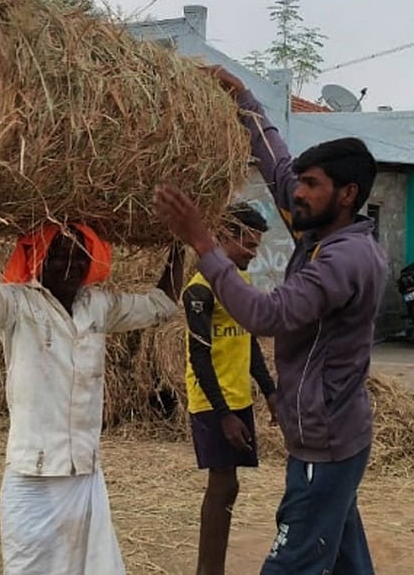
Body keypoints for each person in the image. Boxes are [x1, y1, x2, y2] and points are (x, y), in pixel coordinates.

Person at [154, 67, 386, 575]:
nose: (297, 192)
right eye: (301, 183)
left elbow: (268, 315)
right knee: (346, 559)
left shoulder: (344, 259)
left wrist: (203, 243)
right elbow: (278, 164)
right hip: (335, 437)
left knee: (290, 563)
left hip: (324, 444)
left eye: (311, 185)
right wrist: (244, 99)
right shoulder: (318, 229)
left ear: (347, 194)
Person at [0, 150, 185, 575]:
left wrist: (181, 240)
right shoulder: (18, 306)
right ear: (39, 258)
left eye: (80, 254)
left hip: (85, 474)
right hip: (32, 478)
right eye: (58, 254)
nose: (70, 264)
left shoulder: (98, 306)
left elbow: (161, 305)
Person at [182, 202, 278, 575]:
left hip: (238, 398)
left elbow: (249, 341)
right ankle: (208, 570)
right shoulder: (199, 289)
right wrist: (223, 416)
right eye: (248, 245)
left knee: (229, 485)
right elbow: (199, 357)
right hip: (212, 402)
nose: (253, 254)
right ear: (224, 237)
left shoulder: (240, 283)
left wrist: (269, 390)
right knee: (222, 483)